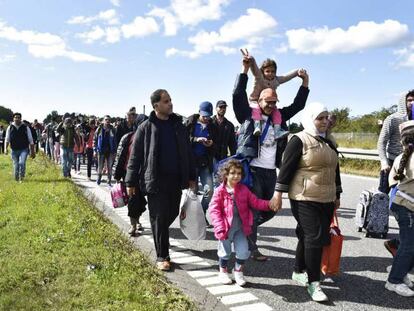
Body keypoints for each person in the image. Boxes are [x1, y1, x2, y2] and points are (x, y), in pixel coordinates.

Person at [233, 52, 309, 261]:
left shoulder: (279, 118)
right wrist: (245, 70)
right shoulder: (248, 116)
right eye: (267, 101)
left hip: (271, 171)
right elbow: (237, 95)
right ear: (259, 100)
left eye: (274, 101)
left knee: (271, 209)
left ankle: (244, 226)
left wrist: (305, 83)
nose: (271, 105)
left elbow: (298, 106)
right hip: (253, 170)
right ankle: (251, 247)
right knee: (255, 209)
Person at [272, 102, 342, 302]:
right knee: (315, 237)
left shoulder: (329, 141)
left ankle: (298, 270)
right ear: (311, 119)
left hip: (326, 197)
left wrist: (337, 194)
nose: (324, 122)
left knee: (306, 235)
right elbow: (286, 169)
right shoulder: (299, 139)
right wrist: (278, 194)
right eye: (320, 118)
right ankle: (314, 283)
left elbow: (334, 170)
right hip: (304, 197)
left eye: (326, 118)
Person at [125, 89, 196, 271]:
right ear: (156, 105)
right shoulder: (146, 127)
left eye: (170, 100)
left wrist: (192, 177)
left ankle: (160, 234)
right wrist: (130, 182)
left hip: (175, 181)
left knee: (170, 214)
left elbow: (188, 154)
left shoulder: (178, 126)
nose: (170, 104)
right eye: (166, 101)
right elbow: (135, 157)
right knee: (159, 217)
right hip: (155, 181)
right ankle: (162, 256)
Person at [209, 159, 278, 286]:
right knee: (225, 252)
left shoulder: (244, 190)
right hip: (225, 228)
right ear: (226, 175)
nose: (236, 176)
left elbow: (256, 202)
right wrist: (219, 227)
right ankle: (223, 271)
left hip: (241, 228)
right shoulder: (220, 191)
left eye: (239, 173)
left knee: (243, 251)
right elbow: (214, 210)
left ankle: (238, 271)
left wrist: (269, 204)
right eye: (233, 173)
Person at [378, 90, 414, 257]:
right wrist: (384, 162)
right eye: (410, 100)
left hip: (411, 165)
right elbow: (381, 141)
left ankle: (399, 241)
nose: (411, 104)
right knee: (394, 202)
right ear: (403, 102)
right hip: (393, 164)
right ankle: (380, 226)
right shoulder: (392, 119)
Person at [385, 120, 414, 297]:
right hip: (406, 207)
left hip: (401, 204)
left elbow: (391, 182)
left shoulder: (401, 157)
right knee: (410, 245)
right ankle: (393, 280)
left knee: (409, 244)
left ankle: (398, 267)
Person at [242, 50, 300, 138]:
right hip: (255, 100)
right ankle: (257, 126)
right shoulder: (259, 77)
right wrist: (251, 59)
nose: (270, 73)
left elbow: (286, 76)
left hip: (268, 103)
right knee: (256, 108)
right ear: (263, 71)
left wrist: (297, 72)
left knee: (276, 112)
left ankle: (277, 130)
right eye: (267, 71)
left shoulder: (276, 80)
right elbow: (255, 69)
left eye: (273, 71)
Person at [185, 101, 218, 224]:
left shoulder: (212, 126)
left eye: (208, 116)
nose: (206, 118)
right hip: (191, 163)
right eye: (204, 116)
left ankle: (202, 213)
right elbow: (183, 140)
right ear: (199, 112)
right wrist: (196, 139)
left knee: (209, 190)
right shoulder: (190, 123)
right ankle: (190, 217)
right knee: (192, 193)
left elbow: (216, 145)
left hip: (205, 163)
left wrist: (211, 144)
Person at [113, 130, 147, 236]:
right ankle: (133, 225)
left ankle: (137, 220)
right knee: (133, 200)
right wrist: (117, 174)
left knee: (140, 201)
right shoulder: (128, 137)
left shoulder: (150, 137)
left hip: (145, 175)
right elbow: (120, 156)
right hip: (130, 174)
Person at [5, 113, 35, 181]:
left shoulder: (25, 127)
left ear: (21, 119)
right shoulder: (10, 127)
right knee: (16, 165)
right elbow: (7, 139)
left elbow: (31, 140)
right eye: (15, 117)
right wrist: (5, 149)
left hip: (24, 149)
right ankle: (16, 179)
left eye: (18, 117)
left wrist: (32, 151)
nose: (17, 119)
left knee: (22, 163)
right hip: (14, 150)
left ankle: (22, 177)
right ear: (13, 119)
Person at [94, 115, 117, 185]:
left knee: (109, 167)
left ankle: (109, 181)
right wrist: (95, 150)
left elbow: (115, 140)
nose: (107, 121)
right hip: (101, 150)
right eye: (106, 119)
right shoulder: (99, 129)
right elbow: (95, 140)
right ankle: (99, 178)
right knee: (100, 166)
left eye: (109, 120)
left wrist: (115, 151)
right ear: (103, 121)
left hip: (110, 150)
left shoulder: (112, 129)